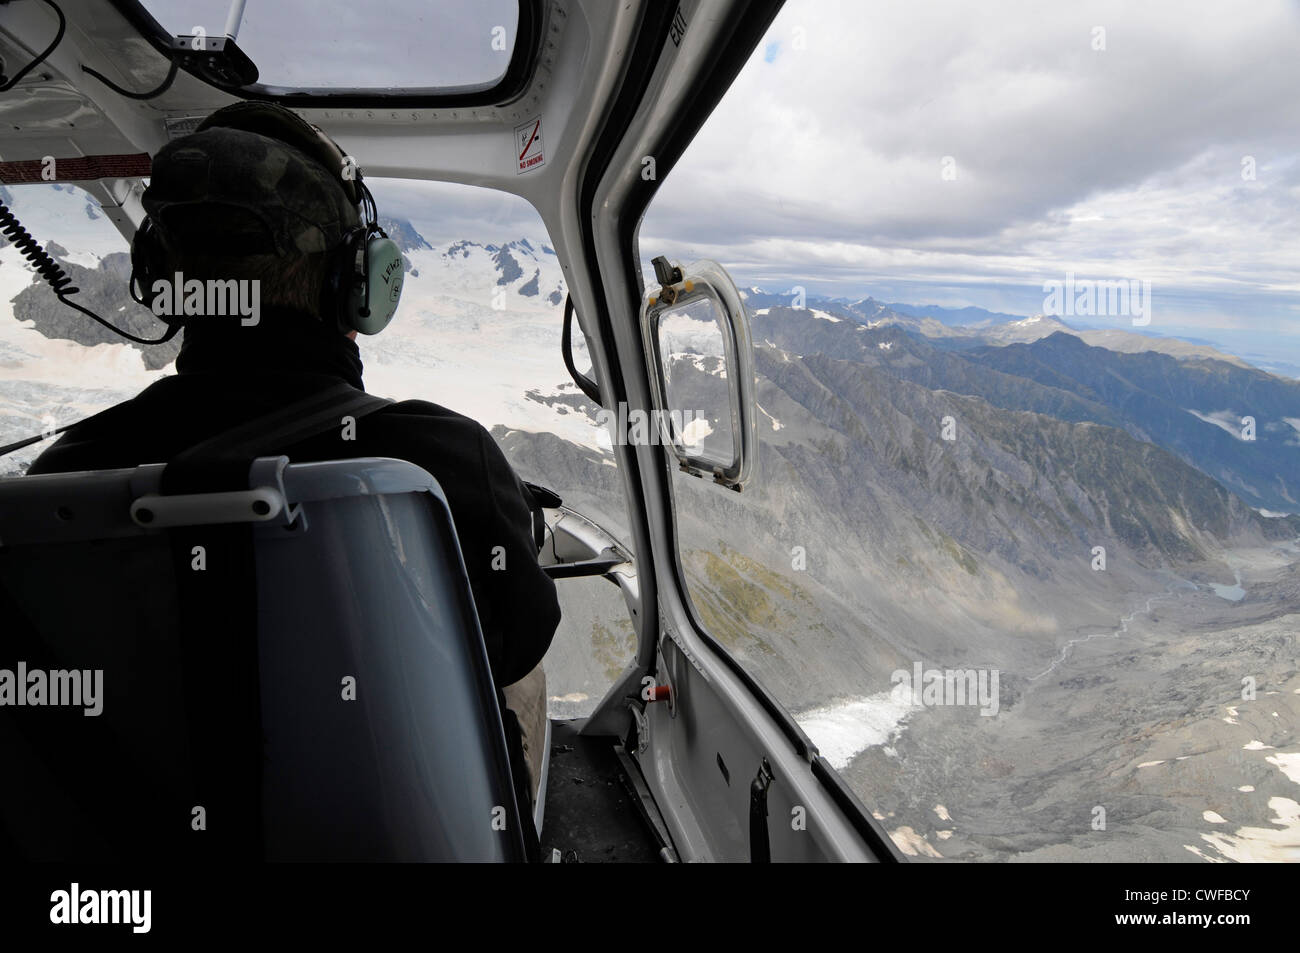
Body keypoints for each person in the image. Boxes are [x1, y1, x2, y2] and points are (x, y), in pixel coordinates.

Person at [28, 101, 559, 813]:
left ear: (161, 278)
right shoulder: (445, 462)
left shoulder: (65, 477)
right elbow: (521, 640)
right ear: (358, 285)